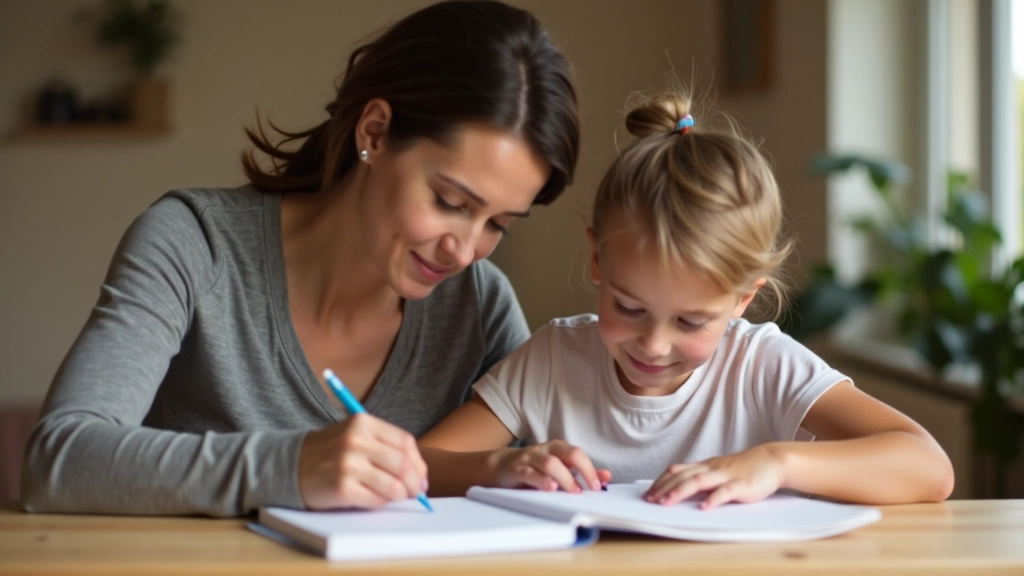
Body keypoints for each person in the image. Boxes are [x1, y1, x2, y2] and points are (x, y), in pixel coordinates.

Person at [21, 0, 579, 517]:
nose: (464, 251)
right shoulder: (194, 245)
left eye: (499, 224)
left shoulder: (480, 308)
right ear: (376, 133)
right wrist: (288, 466)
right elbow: (59, 460)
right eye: (449, 202)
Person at [419, 90, 955, 508]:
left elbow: (929, 467)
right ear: (599, 262)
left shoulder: (760, 365)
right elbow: (423, 463)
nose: (653, 344)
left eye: (692, 322)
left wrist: (777, 463)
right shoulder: (555, 359)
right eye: (629, 308)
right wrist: (500, 467)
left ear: (743, 299)